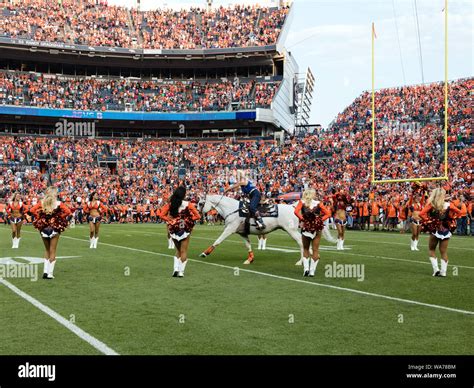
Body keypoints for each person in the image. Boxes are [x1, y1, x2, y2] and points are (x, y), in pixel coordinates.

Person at [29, 187, 72, 280]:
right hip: (54, 228)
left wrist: (40, 216)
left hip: (43, 228)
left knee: (47, 250)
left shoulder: (41, 202)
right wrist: (59, 217)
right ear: (55, 194)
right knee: (53, 250)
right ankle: (50, 274)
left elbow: (32, 210)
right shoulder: (59, 203)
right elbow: (68, 212)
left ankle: (45, 271)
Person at [158, 186, 201, 278]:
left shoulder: (170, 204)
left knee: (178, 250)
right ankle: (181, 272)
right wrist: (187, 219)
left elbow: (161, 215)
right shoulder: (188, 204)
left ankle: (175, 269)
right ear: (183, 194)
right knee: (184, 251)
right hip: (184, 228)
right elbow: (198, 216)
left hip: (173, 228)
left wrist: (169, 220)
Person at [419, 188, 462, 277]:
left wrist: (428, 220)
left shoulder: (432, 204)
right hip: (446, 230)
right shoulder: (449, 205)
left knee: (431, 250)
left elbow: (421, 214)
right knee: (444, 252)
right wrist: (452, 218)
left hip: (435, 229)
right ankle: (443, 272)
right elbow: (460, 212)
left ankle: (436, 270)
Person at [294, 188, 331, 277]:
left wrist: (303, 219)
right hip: (316, 228)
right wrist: (320, 220)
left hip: (306, 227)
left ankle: (306, 269)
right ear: (312, 194)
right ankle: (312, 271)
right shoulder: (318, 203)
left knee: (306, 249)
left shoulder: (301, 202)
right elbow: (328, 214)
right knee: (315, 250)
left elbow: (295, 212)